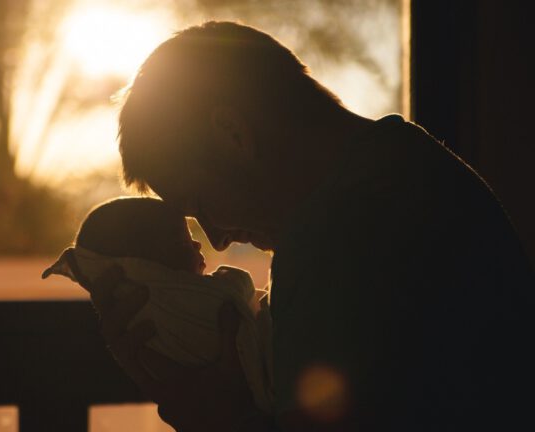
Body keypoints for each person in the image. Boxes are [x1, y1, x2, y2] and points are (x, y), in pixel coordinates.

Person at [81, 21, 535, 431]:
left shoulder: (333, 236)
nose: (216, 238)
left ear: (232, 134)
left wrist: (213, 416)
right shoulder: (415, 168)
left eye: (199, 203)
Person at [42, 197, 274, 413]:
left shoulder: (138, 323)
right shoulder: (174, 306)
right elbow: (237, 294)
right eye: (181, 242)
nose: (199, 244)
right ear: (142, 268)